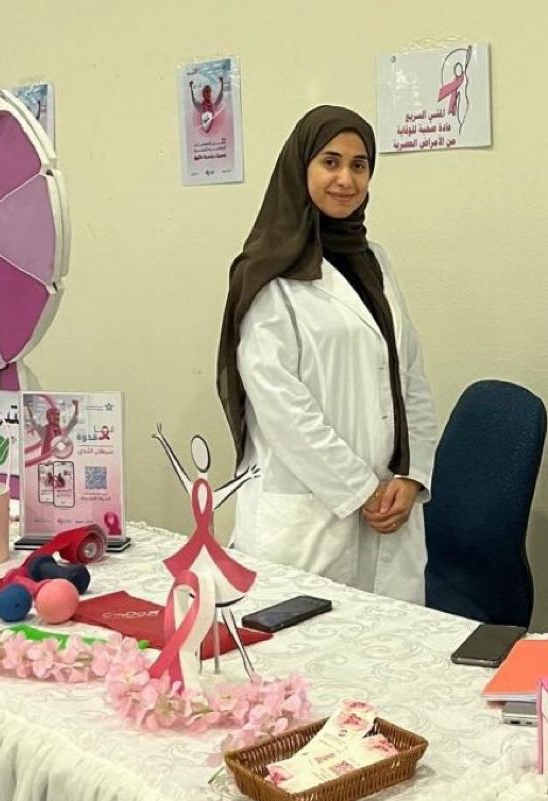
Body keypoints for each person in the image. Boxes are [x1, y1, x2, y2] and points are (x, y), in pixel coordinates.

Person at [216, 106, 438, 605]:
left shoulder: (375, 261)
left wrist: (412, 475)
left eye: (359, 165)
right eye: (330, 162)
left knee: (389, 646)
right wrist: (360, 488)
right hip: (309, 521)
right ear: (301, 168)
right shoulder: (268, 271)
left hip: (391, 511)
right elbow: (280, 406)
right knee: (303, 648)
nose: (346, 179)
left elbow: (410, 375)